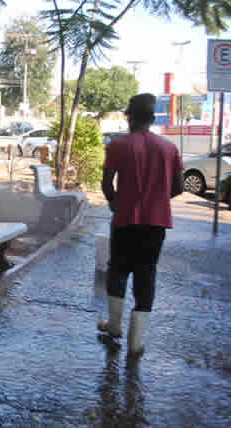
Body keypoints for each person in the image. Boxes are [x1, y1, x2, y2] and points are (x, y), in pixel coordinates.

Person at [98, 93, 184, 357]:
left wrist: (114, 201)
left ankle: (114, 325)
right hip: (156, 223)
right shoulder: (169, 148)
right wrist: (156, 198)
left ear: (130, 117)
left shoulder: (117, 146)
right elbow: (178, 187)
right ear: (152, 118)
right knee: (146, 273)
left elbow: (106, 183)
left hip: (124, 220)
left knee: (118, 270)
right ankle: (136, 342)